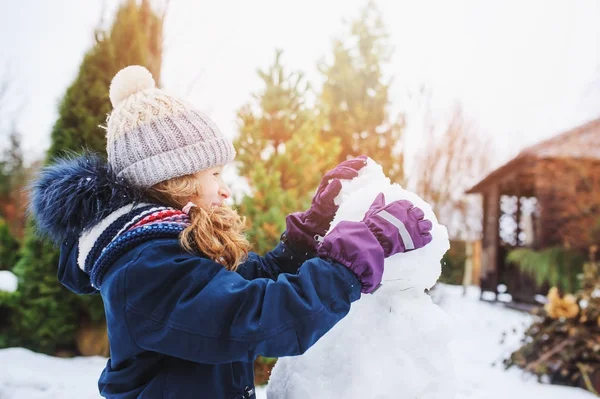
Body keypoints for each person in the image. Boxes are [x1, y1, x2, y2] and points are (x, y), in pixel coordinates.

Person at [30, 65, 433, 399]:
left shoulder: (165, 247)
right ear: (175, 179)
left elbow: (247, 281)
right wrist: (364, 248)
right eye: (215, 174)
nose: (225, 189)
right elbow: (259, 317)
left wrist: (313, 225)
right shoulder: (143, 270)